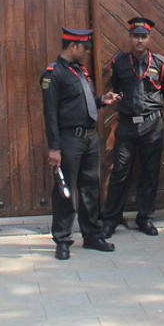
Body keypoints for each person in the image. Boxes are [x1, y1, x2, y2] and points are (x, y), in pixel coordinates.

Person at [41, 27, 120, 259]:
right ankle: (63, 239)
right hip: (69, 140)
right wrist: (54, 148)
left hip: (89, 138)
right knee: (65, 191)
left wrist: (101, 101)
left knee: (91, 187)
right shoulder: (53, 74)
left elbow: (80, 104)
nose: (87, 52)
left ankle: (92, 235)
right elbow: (51, 114)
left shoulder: (80, 71)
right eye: (84, 47)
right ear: (72, 46)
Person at [100, 17, 164, 238]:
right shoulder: (119, 63)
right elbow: (117, 87)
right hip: (127, 125)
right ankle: (111, 220)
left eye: (144, 36)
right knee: (120, 173)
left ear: (149, 38)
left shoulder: (161, 63)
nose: (140, 40)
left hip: (152, 124)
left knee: (150, 172)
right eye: (136, 36)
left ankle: (145, 218)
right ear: (130, 38)